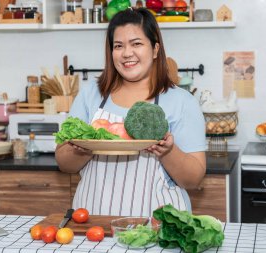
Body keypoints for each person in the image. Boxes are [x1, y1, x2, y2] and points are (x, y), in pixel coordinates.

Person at [55, 8, 206, 216]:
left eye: (136, 44)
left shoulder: (182, 101)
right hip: (95, 223)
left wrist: (168, 152)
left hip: (159, 225)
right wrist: (82, 148)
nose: (127, 53)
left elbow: (193, 179)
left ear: (155, 49)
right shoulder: (91, 94)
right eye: (118, 46)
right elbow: (64, 163)